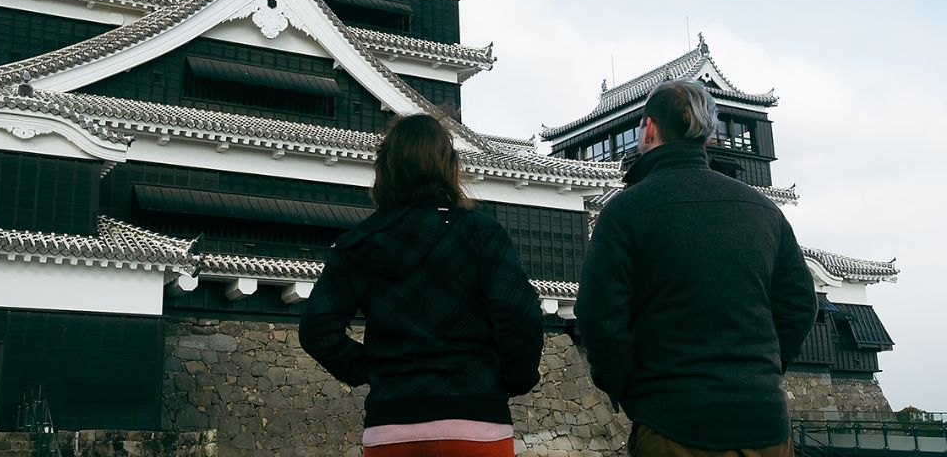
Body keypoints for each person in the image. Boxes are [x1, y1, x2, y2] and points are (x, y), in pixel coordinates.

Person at [575, 79, 817, 457]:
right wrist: (765, 369)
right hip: (764, 425)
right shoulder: (763, 210)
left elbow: (597, 315)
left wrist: (625, 386)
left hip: (671, 424)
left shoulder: (625, 211)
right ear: (707, 135)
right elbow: (801, 304)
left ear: (649, 129)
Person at [301, 114, 544, 456]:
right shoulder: (481, 233)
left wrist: (370, 367)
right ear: (449, 166)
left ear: (384, 169)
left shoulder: (358, 243)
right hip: (474, 419)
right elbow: (518, 314)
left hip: (391, 423)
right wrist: (513, 378)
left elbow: (316, 330)